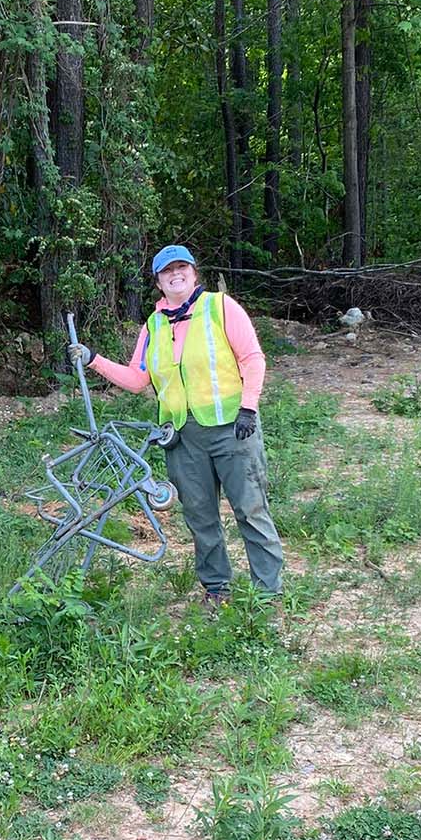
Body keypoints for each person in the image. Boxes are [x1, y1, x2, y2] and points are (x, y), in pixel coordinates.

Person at [69, 244, 283, 603]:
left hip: (232, 428)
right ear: (158, 281)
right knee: (200, 517)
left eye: (181, 267)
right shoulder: (152, 326)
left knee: (250, 509)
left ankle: (268, 593)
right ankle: (217, 588)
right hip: (183, 438)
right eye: (167, 271)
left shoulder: (220, 307)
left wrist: (249, 408)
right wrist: (94, 360)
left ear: (194, 272)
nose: (175, 274)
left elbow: (252, 358)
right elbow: (139, 379)